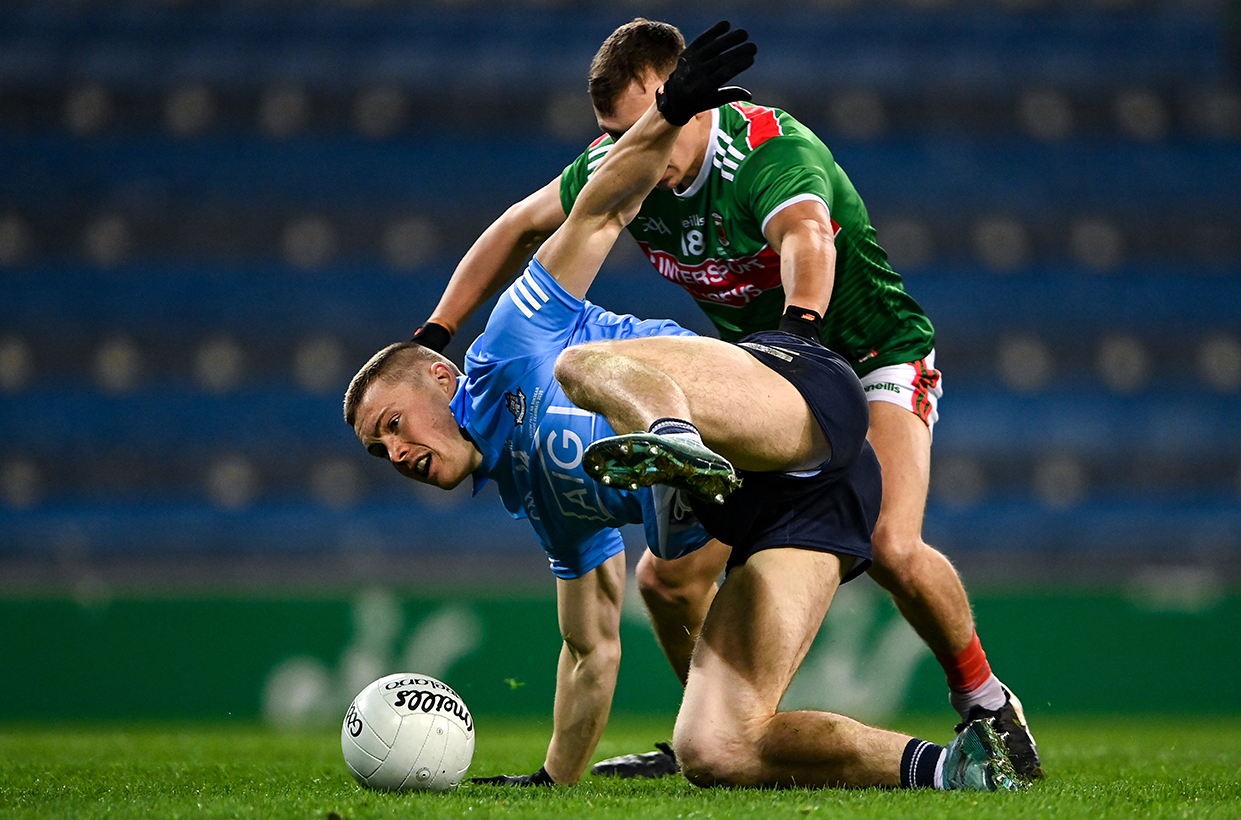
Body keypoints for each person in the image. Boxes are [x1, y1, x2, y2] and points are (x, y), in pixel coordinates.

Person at [347, 22, 1026, 791]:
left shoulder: (762, 150)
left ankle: (984, 697)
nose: (623, 144)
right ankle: (948, 770)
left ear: (687, 106)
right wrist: (430, 331)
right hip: (774, 468)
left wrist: (798, 334)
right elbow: (590, 646)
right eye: (615, 131)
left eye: (393, 427)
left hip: (842, 360)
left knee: (892, 545)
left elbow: (806, 233)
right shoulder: (533, 491)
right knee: (698, 692)